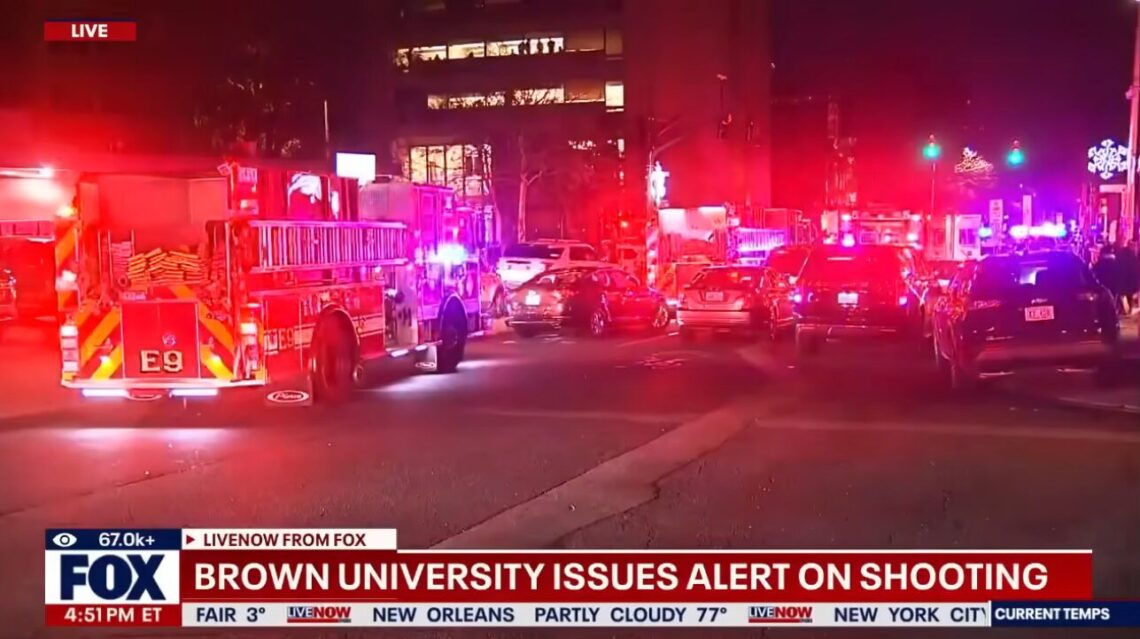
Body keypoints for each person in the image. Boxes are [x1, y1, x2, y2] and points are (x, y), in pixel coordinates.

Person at [1118, 239, 1138, 315]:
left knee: (1126, 295)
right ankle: (1127, 309)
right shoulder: (1132, 256)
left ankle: (1126, 309)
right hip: (1127, 282)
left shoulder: (1124, 254)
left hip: (1124, 281)